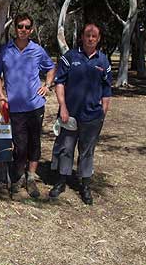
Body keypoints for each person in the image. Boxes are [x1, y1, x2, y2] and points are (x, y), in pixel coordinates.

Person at [0, 13, 56, 198]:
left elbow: (51, 68)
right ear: (15, 28)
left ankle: (30, 178)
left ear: (32, 29)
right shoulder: (5, 51)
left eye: (27, 27)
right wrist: (1, 96)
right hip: (15, 108)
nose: (23, 30)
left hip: (36, 106)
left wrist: (47, 85)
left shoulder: (37, 50)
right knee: (19, 145)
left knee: (34, 143)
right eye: (20, 26)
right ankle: (18, 176)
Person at [49, 23, 112, 205]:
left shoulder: (103, 61)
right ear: (82, 37)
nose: (90, 39)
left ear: (98, 39)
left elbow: (107, 91)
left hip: (92, 117)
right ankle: (61, 182)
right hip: (70, 115)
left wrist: (102, 114)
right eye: (87, 35)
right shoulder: (70, 57)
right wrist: (63, 107)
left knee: (87, 152)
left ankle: (85, 185)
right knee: (66, 149)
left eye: (94, 36)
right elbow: (59, 82)